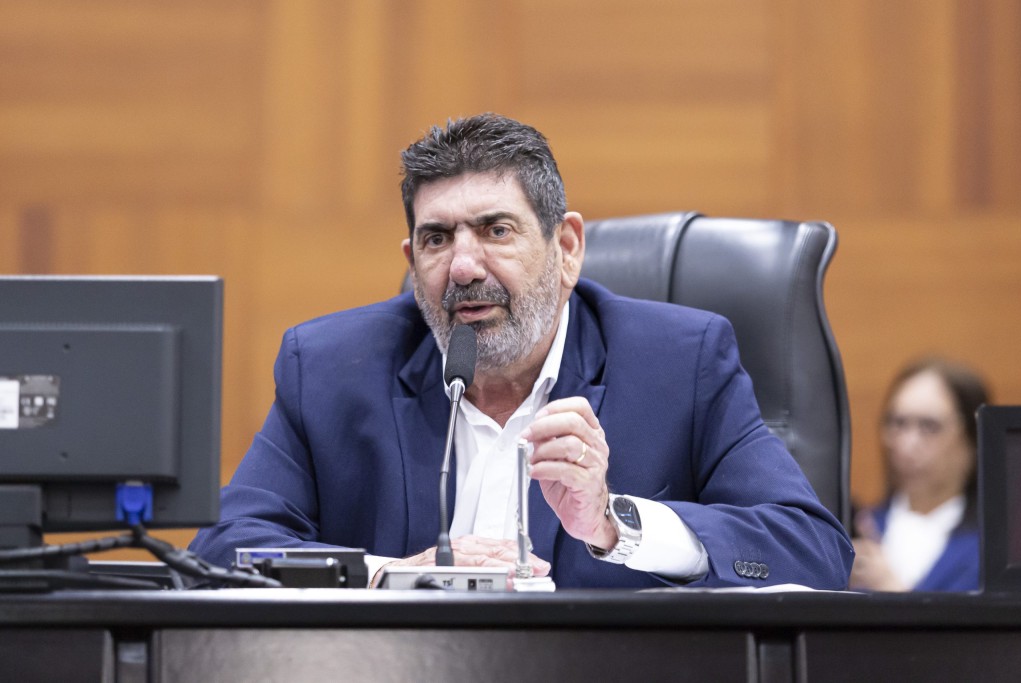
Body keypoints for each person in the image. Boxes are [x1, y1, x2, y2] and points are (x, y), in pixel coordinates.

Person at [190, 113, 853, 589]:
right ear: (412, 260)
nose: (462, 266)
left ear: (566, 248)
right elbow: (220, 550)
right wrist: (388, 575)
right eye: (437, 239)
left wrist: (615, 522)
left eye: (495, 230)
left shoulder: (680, 364)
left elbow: (812, 551)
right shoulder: (330, 367)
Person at [850, 357, 990, 592]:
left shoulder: (993, 548)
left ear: (972, 440)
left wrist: (891, 590)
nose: (906, 444)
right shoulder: (861, 529)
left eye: (929, 426)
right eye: (898, 423)